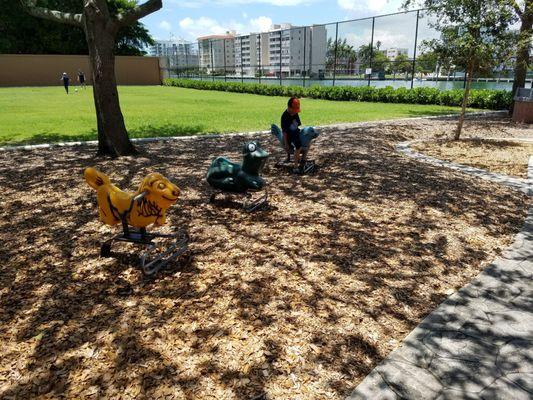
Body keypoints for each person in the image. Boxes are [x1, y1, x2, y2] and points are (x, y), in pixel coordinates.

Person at [281, 97, 304, 173]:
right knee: (298, 146)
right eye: (294, 110)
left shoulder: (295, 113)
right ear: (289, 107)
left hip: (295, 132)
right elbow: (284, 132)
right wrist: (286, 143)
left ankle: (302, 159)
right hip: (289, 135)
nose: (295, 112)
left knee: (307, 139)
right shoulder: (284, 116)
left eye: (296, 110)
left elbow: (297, 124)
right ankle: (295, 167)